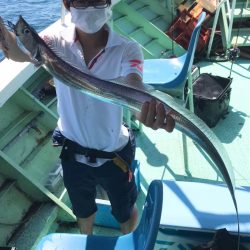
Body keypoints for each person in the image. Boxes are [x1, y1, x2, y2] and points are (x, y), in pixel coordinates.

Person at [0, 0, 175, 235]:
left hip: (114, 154)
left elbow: (133, 86)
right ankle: (86, 241)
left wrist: (144, 113)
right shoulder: (52, 41)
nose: (91, 6)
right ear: (68, 3)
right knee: (83, 211)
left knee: (125, 210)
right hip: (73, 155)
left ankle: (127, 240)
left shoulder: (127, 49)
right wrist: (4, 32)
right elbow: (20, 54)